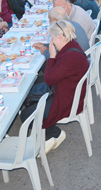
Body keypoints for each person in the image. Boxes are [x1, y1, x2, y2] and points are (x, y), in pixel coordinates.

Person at [20, 20, 88, 153]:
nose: (52, 41)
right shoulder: (72, 46)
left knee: (26, 115)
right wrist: (47, 48)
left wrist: (51, 56)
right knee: (32, 96)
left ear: (61, 37)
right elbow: (57, 70)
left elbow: (50, 79)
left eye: (52, 38)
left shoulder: (70, 56)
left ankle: (53, 133)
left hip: (67, 101)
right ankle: (47, 132)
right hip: (69, 92)